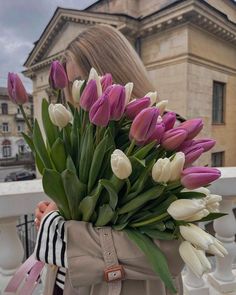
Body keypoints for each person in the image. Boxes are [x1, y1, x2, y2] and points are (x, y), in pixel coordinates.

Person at [35, 24, 184, 295]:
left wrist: (67, 236)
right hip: (64, 283)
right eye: (70, 84)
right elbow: (83, 208)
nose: (74, 94)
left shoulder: (167, 138)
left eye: (81, 81)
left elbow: (171, 254)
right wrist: (57, 210)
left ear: (114, 72)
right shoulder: (78, 136)